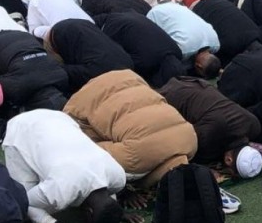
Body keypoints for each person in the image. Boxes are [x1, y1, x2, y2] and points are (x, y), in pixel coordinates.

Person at [63, 70, 198, 201]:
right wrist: (124, 192)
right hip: (83, 101)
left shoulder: (191, 141)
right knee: (79, 145)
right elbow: (94, 154)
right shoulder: (133, 160)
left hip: (127, 78)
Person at [2, 109, 129, 223]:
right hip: (21, 130)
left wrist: (114, 213)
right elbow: (24, 202)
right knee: (21, 195)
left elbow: (110, 192)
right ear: (89, 211)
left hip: (59, 118)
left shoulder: (119, 176)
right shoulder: (60, 191)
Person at [158, 76, 262, 177]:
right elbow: (185, 150)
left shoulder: (254, 126)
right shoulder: (207, 137)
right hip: (172, 95)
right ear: (228, 160)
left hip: (198, 83)